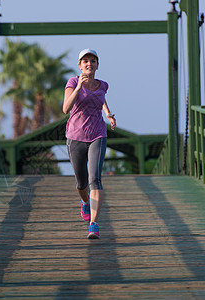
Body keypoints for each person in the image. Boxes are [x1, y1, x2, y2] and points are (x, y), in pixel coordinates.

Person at [63, 49, 116, 239]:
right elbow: (65, 108)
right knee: (81, 182)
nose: (89, 64)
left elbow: (100, 99)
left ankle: (93, 224)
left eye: (93, 61)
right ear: (79, 65)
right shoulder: (72, 82)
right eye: (85, 61)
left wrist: (108, 114)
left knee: (95, 179)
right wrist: (78, 88)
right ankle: (84, 202)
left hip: (97, 135)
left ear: (97, 65)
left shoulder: (103, 85)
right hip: (75, 136)